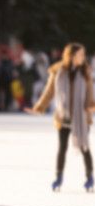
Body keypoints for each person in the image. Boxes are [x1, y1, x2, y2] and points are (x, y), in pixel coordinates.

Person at [25, 43, 95, 192]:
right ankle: (58, 177)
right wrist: (39, 107)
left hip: (81, 117)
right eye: (80, 54)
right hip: (63, 117)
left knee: (84, 147)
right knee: (62, 148)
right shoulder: (57, 71)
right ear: (72, 56)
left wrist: (91, 105)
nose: (83, 57)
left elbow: (89, 93)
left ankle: (90, 176)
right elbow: (49, 91)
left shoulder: (85, 72)